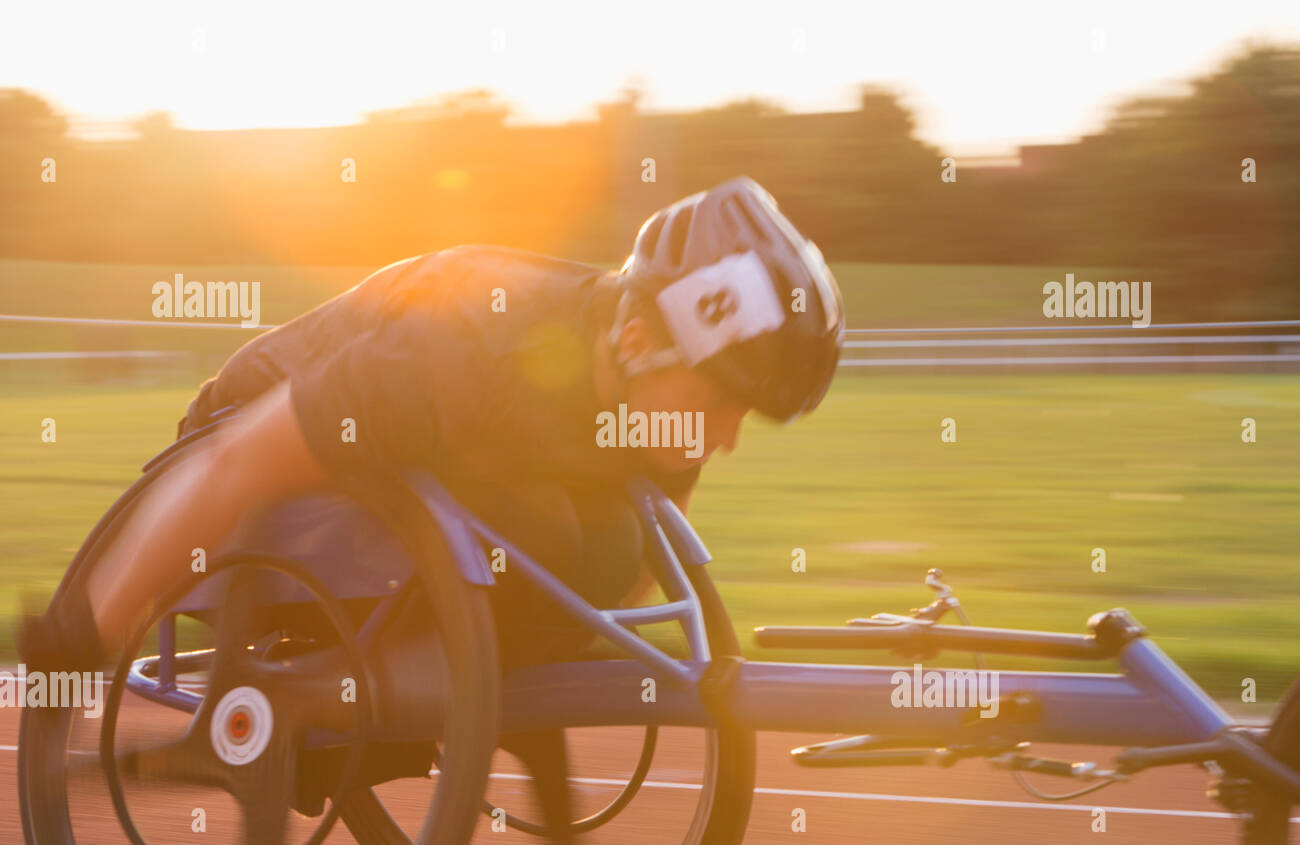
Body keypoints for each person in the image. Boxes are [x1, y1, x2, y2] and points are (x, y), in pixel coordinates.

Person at [20, 175, 845, 681]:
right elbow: (237, 463)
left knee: (605, 545)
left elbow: (628, 593)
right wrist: (89, 633)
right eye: (721, 404)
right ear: (636, 341)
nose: (728, 436)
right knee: (553, 533)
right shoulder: (465, 347)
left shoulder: (657, 406)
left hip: (428, 477)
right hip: (244, 443)